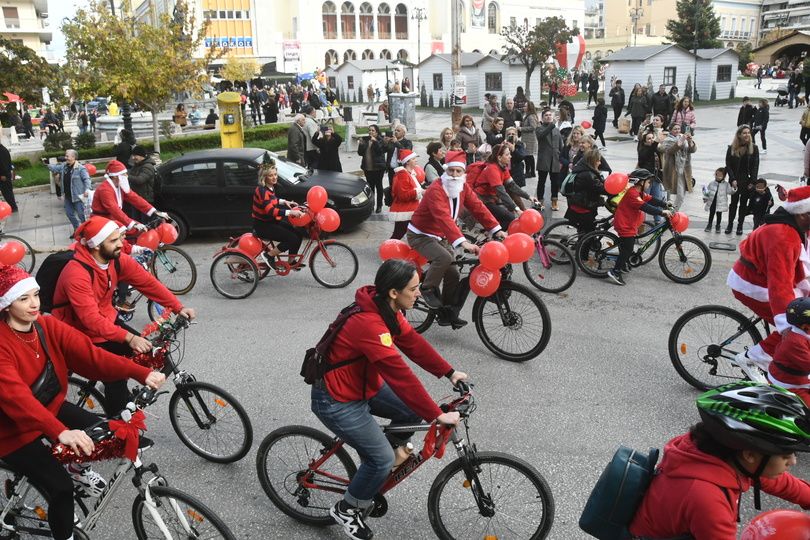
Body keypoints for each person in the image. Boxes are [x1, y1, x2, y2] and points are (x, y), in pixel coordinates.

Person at [0, 264, 166, 540]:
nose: (34, 304)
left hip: (48, 406)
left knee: (110, 430)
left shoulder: (45, 324)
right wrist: (61, 432)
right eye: (23, 298)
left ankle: (77, 467)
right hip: (11, 428)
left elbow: (91, 355)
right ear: (6, 304)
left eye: (36, 295)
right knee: (60, 488)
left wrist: (142, 372)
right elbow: (17, 399)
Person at [313, 259, 468, 540]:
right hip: (337, 399)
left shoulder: (388, 308)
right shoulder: (369, 324)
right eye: (414, 288)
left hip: (362, 386)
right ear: (394, 292)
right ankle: (347, 508)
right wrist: (437, 414)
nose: (419, 293)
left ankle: (375, 464)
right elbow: (400, 375)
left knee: (409, 413)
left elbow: (414, 344)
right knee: (381, 459)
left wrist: (449, 372)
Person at [629, 382, 810, 540]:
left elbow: (775, 480)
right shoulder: (708, 500)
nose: (793, 461)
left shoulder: (716, 454)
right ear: (749, 454)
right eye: (786, 455)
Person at [52, 216, 190, 415]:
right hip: (79, 331)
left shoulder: (115, 260)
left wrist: (177, 306)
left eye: (120, 238)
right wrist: (130, 338)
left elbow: (147, 283)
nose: (121, 244)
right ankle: (119, 429)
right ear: (96, 246)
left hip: (106, 320)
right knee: (117, 372)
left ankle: (112, 390)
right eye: (114, 241)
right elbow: (90, 320)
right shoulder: (76, 274)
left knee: (146, 351)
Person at [406, 150, 505, 327]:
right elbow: (443, 217)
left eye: (458, 171)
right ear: (445, 171)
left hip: (440, 235)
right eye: (451, 171)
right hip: (420, 234)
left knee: (453, 273)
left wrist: (496, 229)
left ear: (463, 173)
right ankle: (426, 288)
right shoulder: (436, 189)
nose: (454, 175)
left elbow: (478, 207)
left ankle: (447, 313)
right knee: (444, 258)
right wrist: (463, 242)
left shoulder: (463, 187)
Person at [727, 185, 810, 375]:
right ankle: (753, 359)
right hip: (752, 283)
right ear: (803, 214)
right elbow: (779, 285)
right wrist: (788, 325)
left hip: (764, 277)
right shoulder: (783, 236)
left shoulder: (800, 225)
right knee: (801, 326)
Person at [606, 169, 671, 286]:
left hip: (629, 223)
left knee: (626, 246)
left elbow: (650, 199)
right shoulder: (633, 194)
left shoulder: (639, 193)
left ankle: (623, 263)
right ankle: (615, 271)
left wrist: (664, 204)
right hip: (624, 224)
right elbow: (645, 207)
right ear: (640, 182)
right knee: (628, 248)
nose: (649, 184)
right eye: (648, 182)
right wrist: (662, 213)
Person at [252, 159, 306, 258]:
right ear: (264, 177)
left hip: (271, 222)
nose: (274, 177)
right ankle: (269, 255)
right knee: (292, 238)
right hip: (263, 226)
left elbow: (272, 200)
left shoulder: (270, 187)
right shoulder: (262, 190)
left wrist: (285, 201)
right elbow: (271, 211)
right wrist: (291, 212)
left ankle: (291, 261)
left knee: (298, 233)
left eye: (275, 174)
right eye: (271, 175)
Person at [92, 160, 166, 232]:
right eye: (124, 174)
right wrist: (132, 224)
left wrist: (154, 211)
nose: (126, 176)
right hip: (102, 220)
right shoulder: (105, 189)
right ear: (115, 176)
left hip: (112, 217)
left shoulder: (120, 185)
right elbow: (113, 209)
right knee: (131, 232)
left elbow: (135, 198)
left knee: (136, 230)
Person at [472, 143, 533, 230]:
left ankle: (492, 233)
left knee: (507, 215)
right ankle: (493, 238)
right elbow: (501, 193)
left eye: (510, 154)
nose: (510, 156)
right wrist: (516, 208)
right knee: (509, 217)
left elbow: (512, 186)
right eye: (507, 154)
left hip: (491, 198)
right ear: (499, 158)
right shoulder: (492, 169)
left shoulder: (503, 167)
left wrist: (529, 197)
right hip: (482, 200)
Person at [768, 297, 810, 405]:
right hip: (788, 383)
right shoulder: (795, 343)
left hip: (799, 376)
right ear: (806, 327)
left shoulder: (801, 332)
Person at [563, 147, 607, 238]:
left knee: (583, 232)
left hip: (577, 204)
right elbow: (601, 188)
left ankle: (580, 244)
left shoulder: (582, 169)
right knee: (588, 236)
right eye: (598, 160)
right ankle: (582, 250)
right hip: (584, 207)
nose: (600, 163)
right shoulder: (589, 174)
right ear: (593, 161)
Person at [47, 150, 91, 237]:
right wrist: (47, 164)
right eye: (65, 156)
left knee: (82, 216)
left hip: (78, 197)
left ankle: (86, 232)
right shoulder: (64, 166)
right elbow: (55, 168)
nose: (65, 158)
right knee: (69, 214)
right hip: (67, 196)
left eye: (67, 156)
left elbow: (87, 179)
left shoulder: (80, 168)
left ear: (73, 157)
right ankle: (77, 229)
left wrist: (87, 189)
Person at [725, 125, 760, 235]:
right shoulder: (731, 148)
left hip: (747, 181)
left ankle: (740, 225)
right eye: (744, 133)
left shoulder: (754, 148)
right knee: (733, 203)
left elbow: (755, 166)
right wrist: (732, 179)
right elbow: (728, 165)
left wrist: (752, 182)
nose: (747, 135)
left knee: (743, 204)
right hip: (735, 180)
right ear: (739, 135)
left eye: (748, 133)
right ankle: (730, 224)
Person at [659, 123, 696, 211]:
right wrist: (680, 141)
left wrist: (690, 141)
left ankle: (672, 212)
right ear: (670, 130)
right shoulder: (668, 139)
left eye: (679, 129)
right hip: (673, 170)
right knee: (674, 193)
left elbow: (692, 150)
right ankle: (671, 212)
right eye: (675, 129)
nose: (677, 131)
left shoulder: (683, 137)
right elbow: (670, 151)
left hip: (685, 169)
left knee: (681, 195)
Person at [389, 149, 424, 240]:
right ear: (407, 162)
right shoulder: (402, 175)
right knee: (398, 234)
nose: (416, 160)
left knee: (402, 233)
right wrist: (420, 192)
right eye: (414, 158)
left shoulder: (410, 174)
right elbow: (403, 195)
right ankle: (388, 250)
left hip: (411, 210)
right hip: (405, 211)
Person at [536, 108, 563, 211]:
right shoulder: (539, 128)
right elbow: (541, 136)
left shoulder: (556, 130)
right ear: (542, 118)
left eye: (550, 115)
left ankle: (554, 200)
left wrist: (561, 158)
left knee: (555, 182)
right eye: (546, 115)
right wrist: (552, 125)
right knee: (541, 181)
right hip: (544, 160)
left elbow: (561, 145)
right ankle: (540, 200)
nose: (548, 116)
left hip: (555, 160)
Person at [358, 125, 387, 213]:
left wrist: (375, 142)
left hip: (378, 168)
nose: (371, 132)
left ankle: (379, 205)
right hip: (367, 168)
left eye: (373, 130)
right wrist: (361, 145)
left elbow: (380, 152)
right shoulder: (366, 140)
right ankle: (371, 205)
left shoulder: (381, 140)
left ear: (377, 132)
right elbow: (360, 153)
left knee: (379, 186)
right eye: (369, 130)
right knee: (370, 187)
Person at [126, 146, 156, 224]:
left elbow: (140, 180)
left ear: (142, 156)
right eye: (132, 155)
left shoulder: (148, 166)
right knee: (136, 222)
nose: (133, 158)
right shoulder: (137, 165)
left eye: (135, 155)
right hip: (136, 198)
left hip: (145, 199)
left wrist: (127, 176)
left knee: (145, 223)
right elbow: (130, 173)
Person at [702, 167, 736, 233]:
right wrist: (705, 198)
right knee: (711, 214)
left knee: (719, 215)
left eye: (720, 175)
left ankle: (718, 226)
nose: (718, 177)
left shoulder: (726, 184)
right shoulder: (712, 183)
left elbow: (730, 192)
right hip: (712, 202)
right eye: (717, 175)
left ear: (724, 176)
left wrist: (734, 188)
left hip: (720, 203)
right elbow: (707, 192)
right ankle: (709, 225)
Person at [521, 102, 539, 177]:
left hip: (530, 139)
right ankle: (531, 172)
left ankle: (530, 172)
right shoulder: (528, 115)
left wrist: (521, 128)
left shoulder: (531, 116)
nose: (523, 107)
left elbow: (533, 127)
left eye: (525, 106)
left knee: (528, 156)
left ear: (529, 107)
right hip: (527, 138)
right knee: (528, 156)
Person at [0, 141, 17, 213]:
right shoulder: (3, 149)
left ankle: (13, 207)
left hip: (4, 176)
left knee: (7, 192)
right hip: (5, 174)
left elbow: (3, 164)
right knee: (7, 191)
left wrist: (2, 175)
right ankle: (13, 206)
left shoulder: (2, 151)